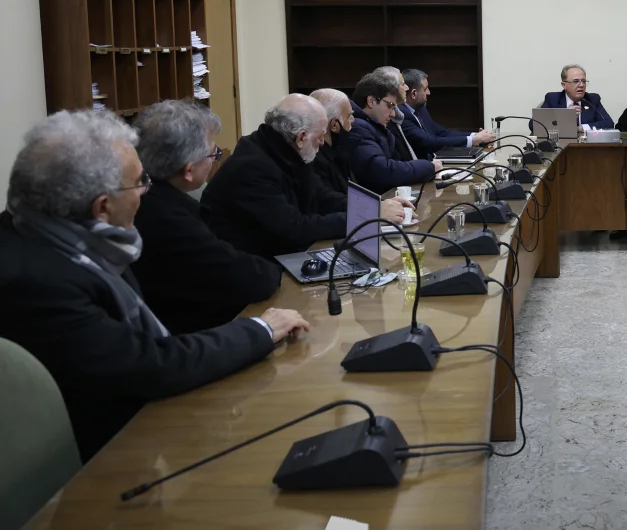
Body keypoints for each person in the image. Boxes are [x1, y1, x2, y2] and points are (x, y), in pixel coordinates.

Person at [0, 110, 310, 461]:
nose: (148, 191)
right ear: (102, 207)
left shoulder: (60, 235)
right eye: (139, 182)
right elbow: (148, 365)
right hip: (107, 458)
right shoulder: (38, 284)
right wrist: (260, 330)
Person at [130, 101, 281, 334]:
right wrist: (274, 271)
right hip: (186, 336)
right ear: (189, 170)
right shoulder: (166, 219)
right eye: (214, 153)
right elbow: (249, 279)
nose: (215, 160)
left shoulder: (146, 194)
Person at [202, 94, 411, 257]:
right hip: (253, 268)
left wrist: (374, 206)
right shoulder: (252, 167)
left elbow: (323, 197)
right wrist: (367, 217)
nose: (322, 143)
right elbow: (295, 228)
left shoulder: (285, 149)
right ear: (301, 136)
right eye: (320, 136)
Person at [346, 71, 442, 194]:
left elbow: (397, 164)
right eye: (389, 106)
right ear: (371, 101)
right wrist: (430, 167)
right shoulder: (358, 128)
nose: (392, 114)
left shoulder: (376, 126)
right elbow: (384, 171)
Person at [400, 68, 496, 151]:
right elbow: (428, 142)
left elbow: (442, 133)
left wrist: (476, 136)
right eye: (425, 89)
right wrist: (473, 140)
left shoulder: (420, 108)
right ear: (414, 94)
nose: (429, 93)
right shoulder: (402, 115)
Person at [539, 64, 614, 130]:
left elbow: (609, 123)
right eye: (575, 81)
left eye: (583, 81)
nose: (581, 85)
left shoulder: (592, 99)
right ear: (564, 85)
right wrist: (564, 116)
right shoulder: (552, 99)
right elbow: (536, 125)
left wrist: (583, 128)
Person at [310, 88, 354, 196]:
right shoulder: (316, 162)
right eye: (349, 116)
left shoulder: (339, 151)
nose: (353, 120)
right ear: (334, 125)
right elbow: (329, 200)